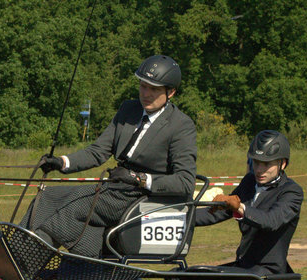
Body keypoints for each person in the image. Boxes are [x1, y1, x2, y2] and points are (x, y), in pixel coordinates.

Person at [21, 54, 197, 257]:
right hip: (115, 189)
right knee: (48, 196)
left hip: (140, 197)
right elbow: (98, 152)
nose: (146, 94)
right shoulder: (128, 110)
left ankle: (28, 262)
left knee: (75, 206)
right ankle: (13, 250)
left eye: (154, 89)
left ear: (171, 92)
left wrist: (139, 179)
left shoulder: (181, 125)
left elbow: (185, 182)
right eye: (143, 86)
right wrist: (62, 162)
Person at [194, 130, 303, 275]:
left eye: (266, 164)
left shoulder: (291, 192)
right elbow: (217, 213)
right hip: (244, 267)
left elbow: (270, 221)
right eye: (256, 163)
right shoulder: (249, 182)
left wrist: (239, 207)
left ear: (282, 164)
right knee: (181, 277)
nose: (259, 170)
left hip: (267, 273)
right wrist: (180, 216)